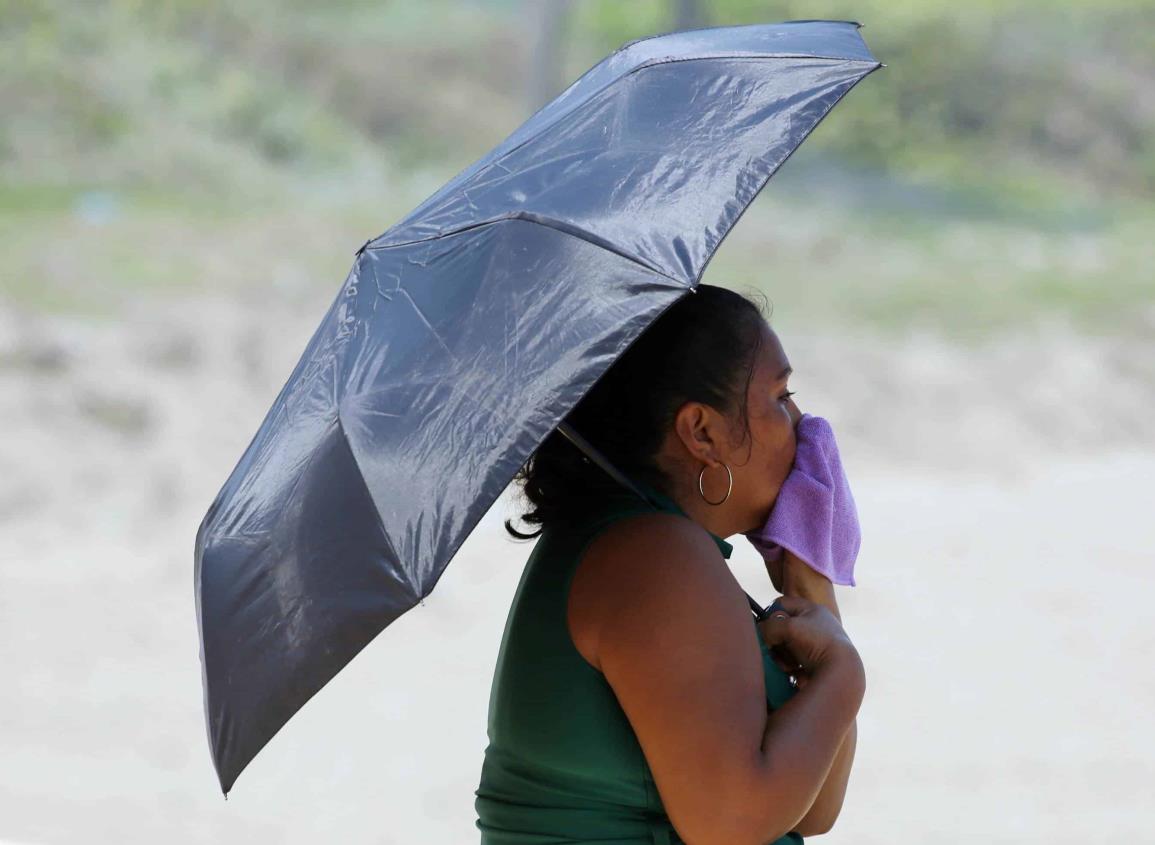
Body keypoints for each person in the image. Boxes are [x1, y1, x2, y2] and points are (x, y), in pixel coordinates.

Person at [474, 284, 865, 844]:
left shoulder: (646, 541)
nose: (804, 427)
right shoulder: (654, 558)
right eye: (781, 396)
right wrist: (844, 673)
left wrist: (808, 584)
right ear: (702, 432)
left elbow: (809, 809)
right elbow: (733, 824)